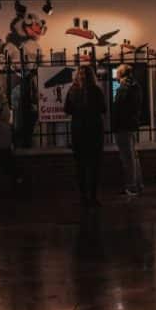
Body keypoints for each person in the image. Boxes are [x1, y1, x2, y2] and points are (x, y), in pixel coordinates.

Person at [64, 65, 106, 207]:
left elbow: (67, 109)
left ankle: (83, 196)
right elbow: (103, 109)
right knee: (94, 165)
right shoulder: (96, 90)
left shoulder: (72, 90)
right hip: (94, 130)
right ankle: (93, 196)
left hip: (78, 131)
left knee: (80, 165)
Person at [112, 63, 144, 197]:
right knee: (133, 157)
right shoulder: (135, 85)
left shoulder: (124, 87)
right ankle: (137, 184)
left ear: (121, 74)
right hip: (131, 124)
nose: (115, 76)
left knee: (127, 157)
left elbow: (119, 108)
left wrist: (114, 124)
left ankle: (131, 186)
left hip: (123, 126)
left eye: (117, 73)